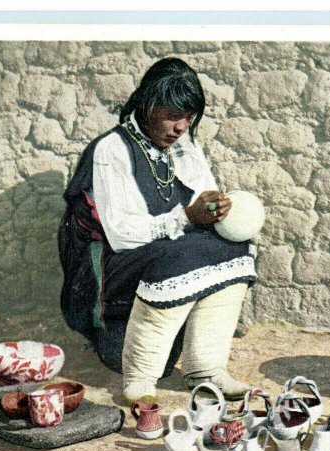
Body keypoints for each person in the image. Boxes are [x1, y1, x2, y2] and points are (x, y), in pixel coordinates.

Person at [58, 58, 257, 404]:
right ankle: (140, 378)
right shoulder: (112, 150)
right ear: (147, 105)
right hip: (117, 269)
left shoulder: (185, 148)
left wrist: (216, 208)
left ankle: (206, 369)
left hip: (167, 259)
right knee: (156, 352)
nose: (180, 127)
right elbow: (121, 235)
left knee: (237, 247)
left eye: (188, 118)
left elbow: (201, 201)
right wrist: (187, 218)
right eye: (171, 116)